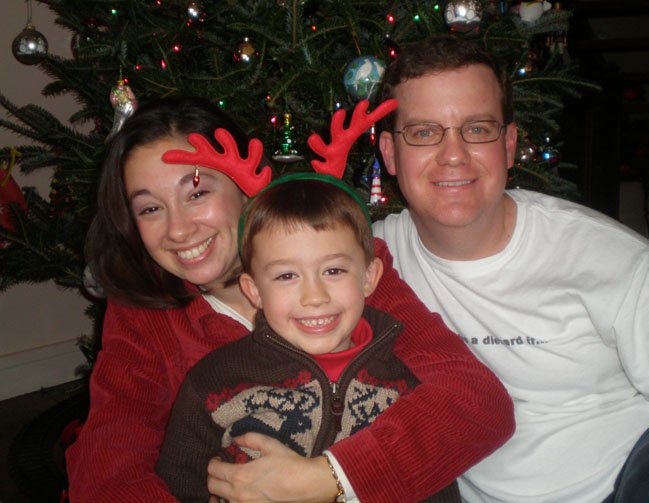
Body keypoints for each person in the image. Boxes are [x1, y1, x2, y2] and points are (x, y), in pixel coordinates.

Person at [65, 95, 514, 502]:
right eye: (149, 208)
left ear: (246, 191)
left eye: (197, 192)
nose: (178, 230)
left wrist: (330, 478)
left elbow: (476, 403)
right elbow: (107, 471)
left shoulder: (346, 271)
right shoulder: (145, 314)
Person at [373, 33, 649, 502]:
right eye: (425, 132)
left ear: (509, 146)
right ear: (390, 154)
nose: (453, 154)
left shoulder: (618, 263)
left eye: (477, 129)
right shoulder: (368, 259)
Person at [156, 174, 460, 502]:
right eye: (287, 276)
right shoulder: (213, 381)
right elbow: (178, 482)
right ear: (254, 290)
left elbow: (435, 484)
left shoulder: (408, 388)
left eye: (333, 271)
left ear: (369, 277)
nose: (313, 296)